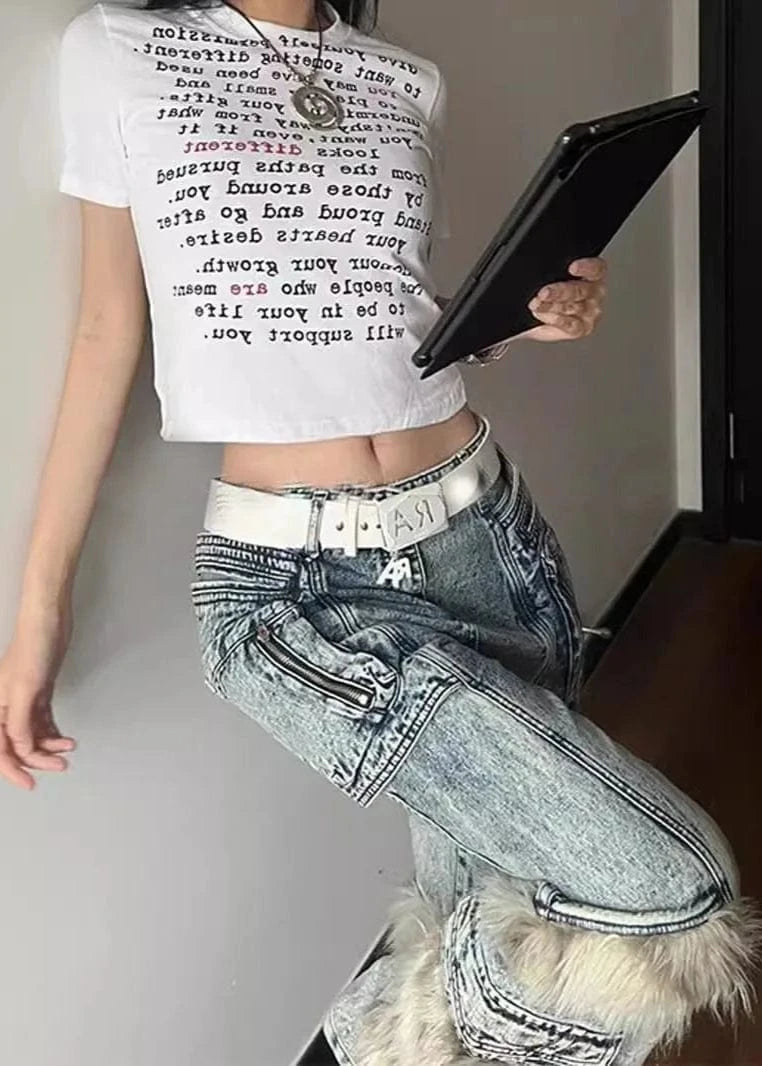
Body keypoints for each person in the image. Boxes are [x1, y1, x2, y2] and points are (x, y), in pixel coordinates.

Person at [1, 1, 759, 1064]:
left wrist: (521, 319)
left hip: (487, 538)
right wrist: (41, 607)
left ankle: (427, 1037)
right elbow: (104, 329)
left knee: (498, 891)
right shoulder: (117, 52)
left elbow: (391, 314)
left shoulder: (405, 78)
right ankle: (384, 1040)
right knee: (671, 890)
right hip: (301, 585)